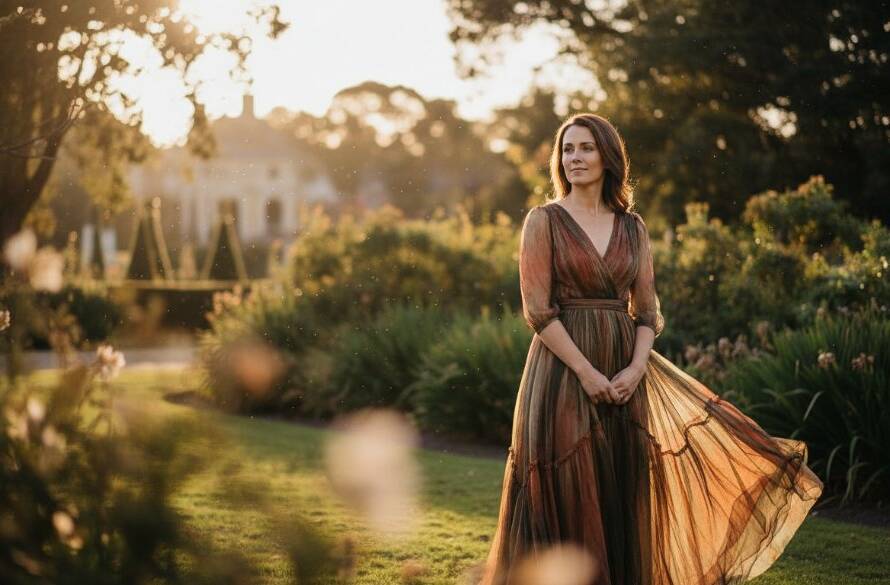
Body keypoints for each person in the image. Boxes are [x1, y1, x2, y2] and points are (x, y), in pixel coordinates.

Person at [479, 113, 823, 585]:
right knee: (568, 488)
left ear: (608, 157)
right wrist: (586, 373)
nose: (574, 158)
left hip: (624, 370)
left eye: (585, 148)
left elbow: (646, 311)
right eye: (567, 149)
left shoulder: (632, 227)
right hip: (561, 373)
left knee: (622, 489)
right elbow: (538, 312)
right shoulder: (544, 221)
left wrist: (636, 369)